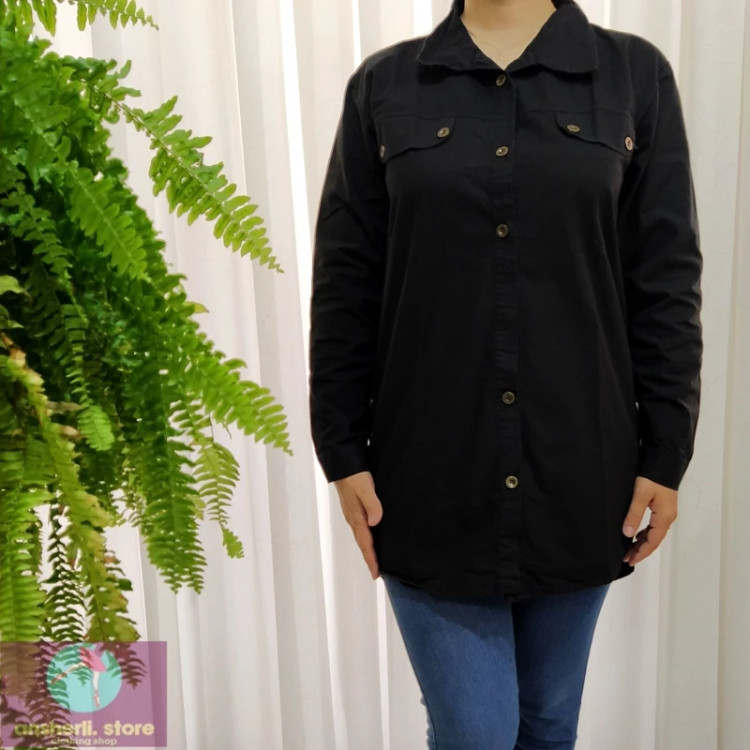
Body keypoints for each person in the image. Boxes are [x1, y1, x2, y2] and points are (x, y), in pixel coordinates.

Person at [308, 0, 703, 746]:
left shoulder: (633, 74)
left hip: (580, 468)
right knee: (475, 731)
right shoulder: (384, 86)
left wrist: (667, 449)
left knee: (548, 724)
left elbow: (665, 279)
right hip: (428, 475)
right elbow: (345, 283)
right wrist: (342, 447)